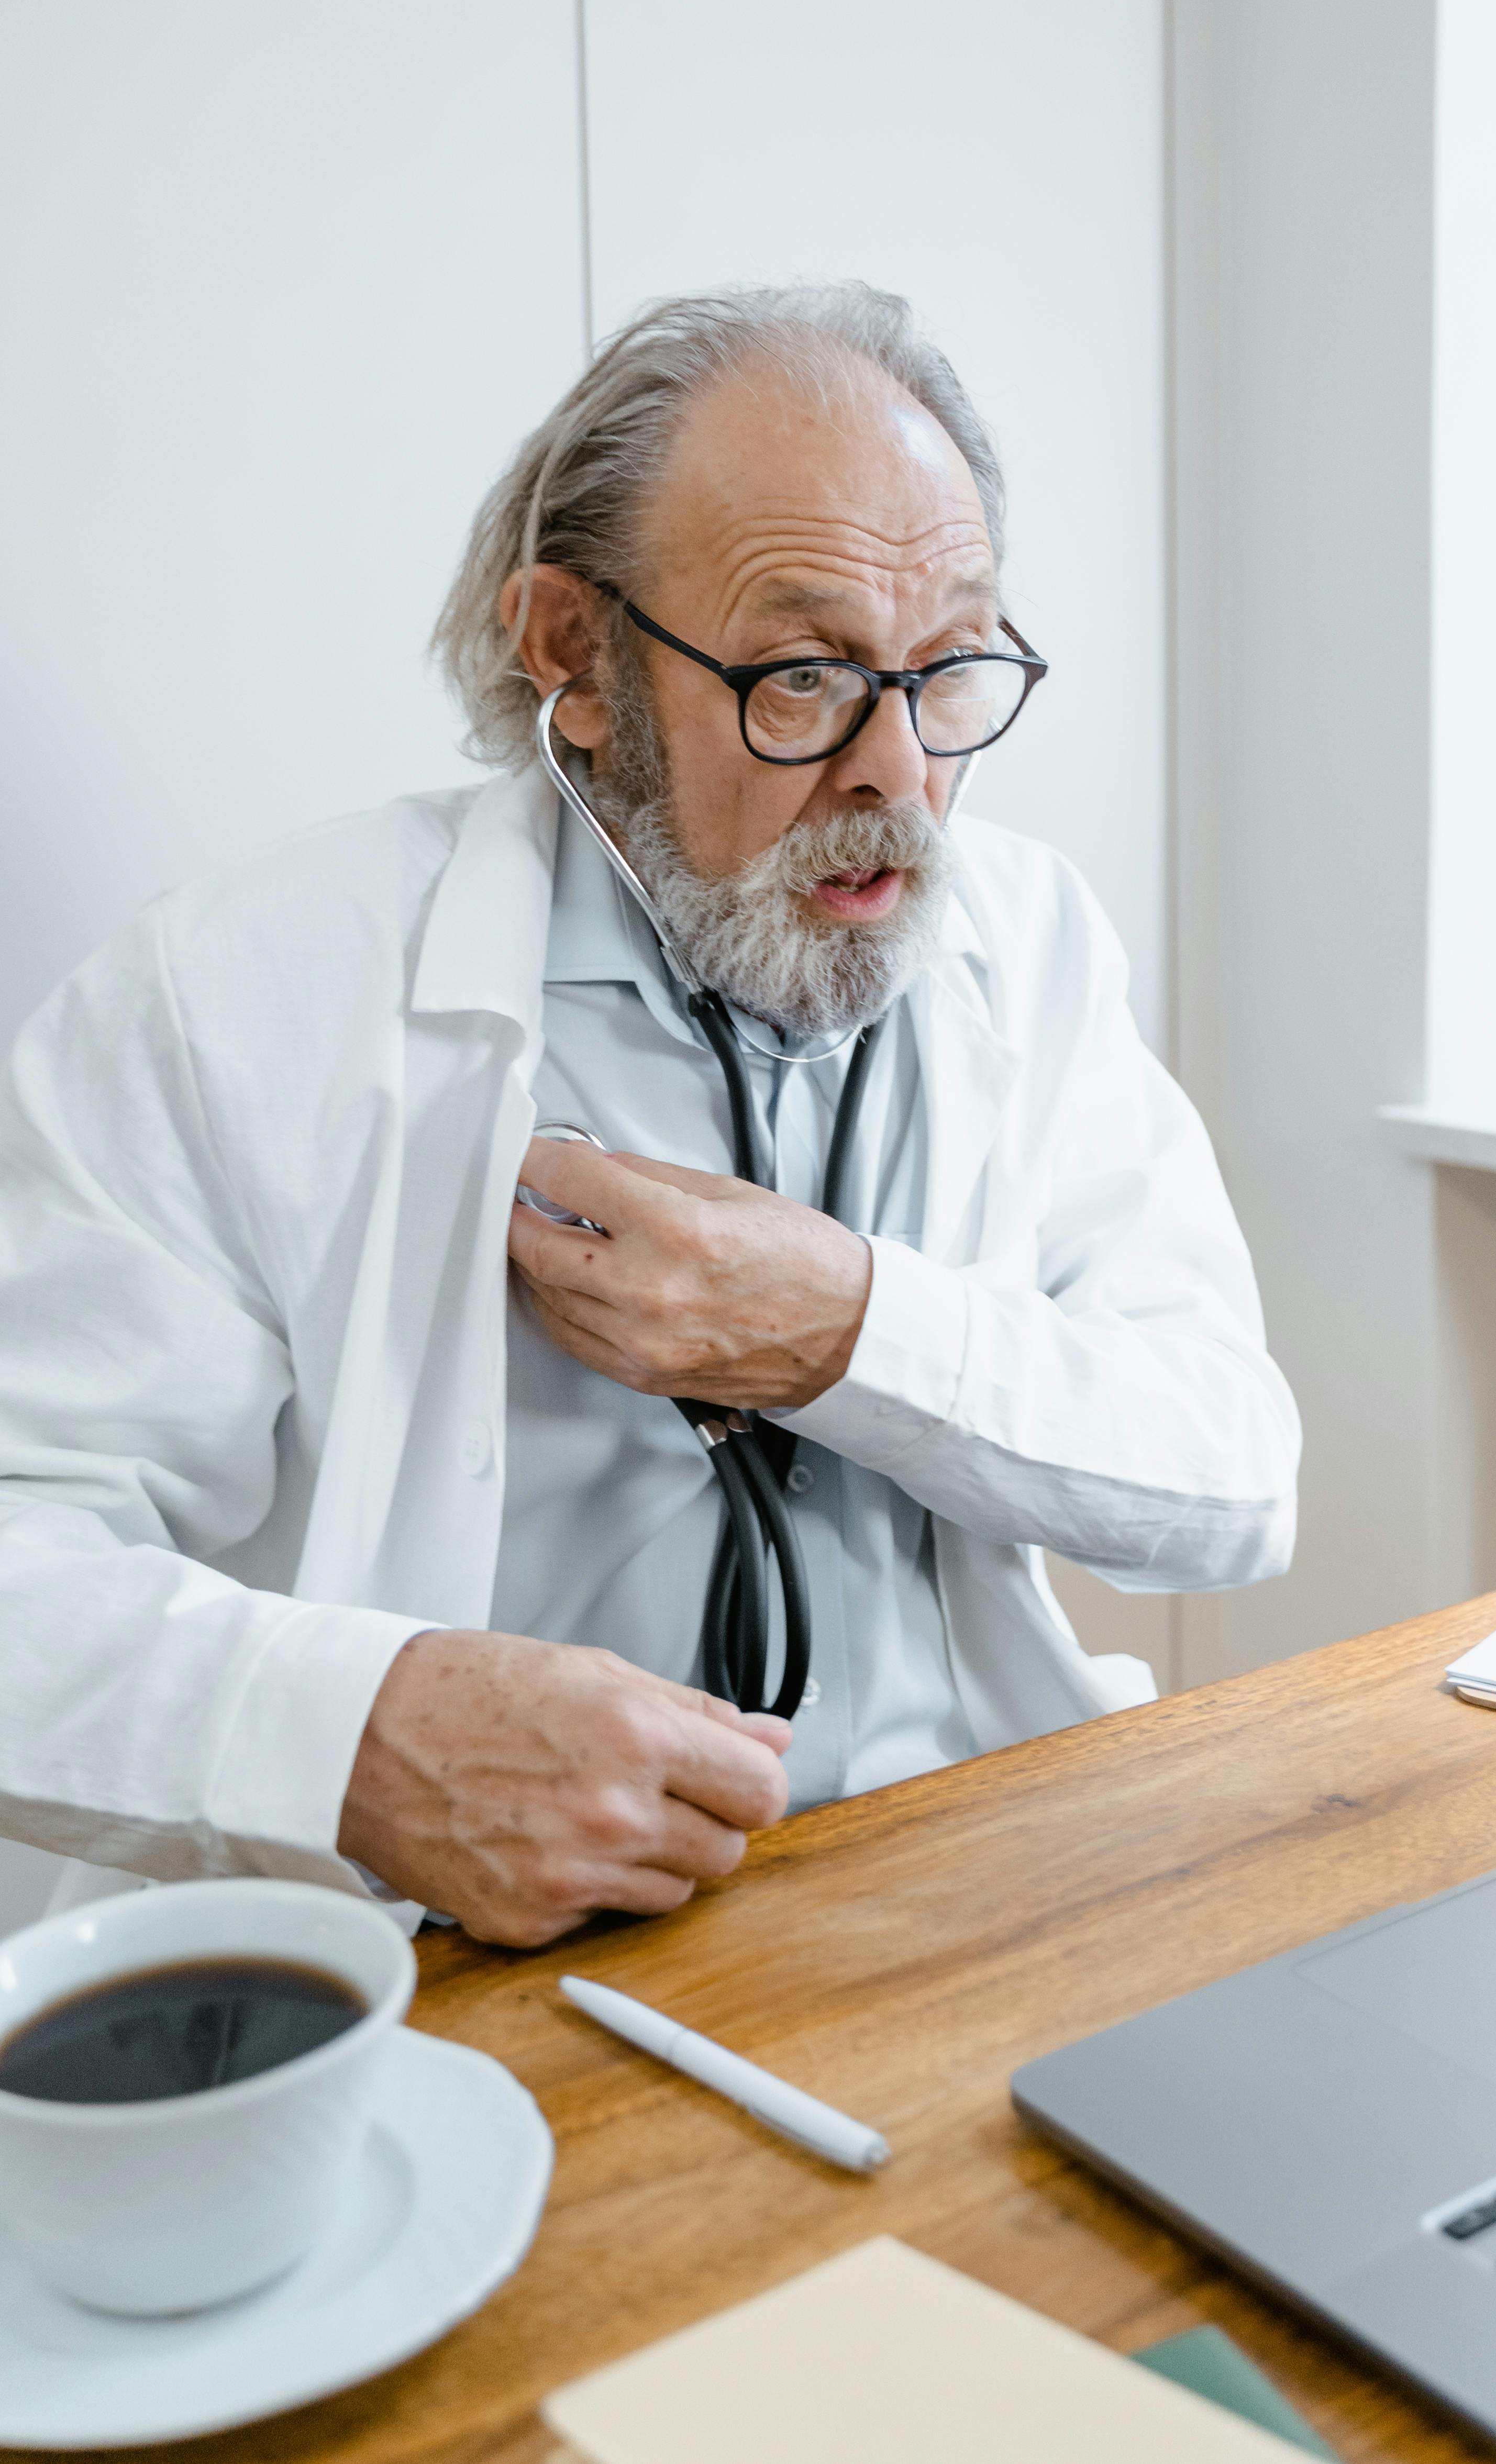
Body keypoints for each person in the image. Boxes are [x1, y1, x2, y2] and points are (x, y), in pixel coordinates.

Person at [0, 284, 1300, 1948]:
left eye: (950, 666)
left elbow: (1228, 1473)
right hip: (469, 1962)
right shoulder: (243, 992)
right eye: (807, 672)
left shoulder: (1024, 943)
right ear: (573, 653)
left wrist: (843, 1328)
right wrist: (358, 1733)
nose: (896, 774)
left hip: (953, 1878)